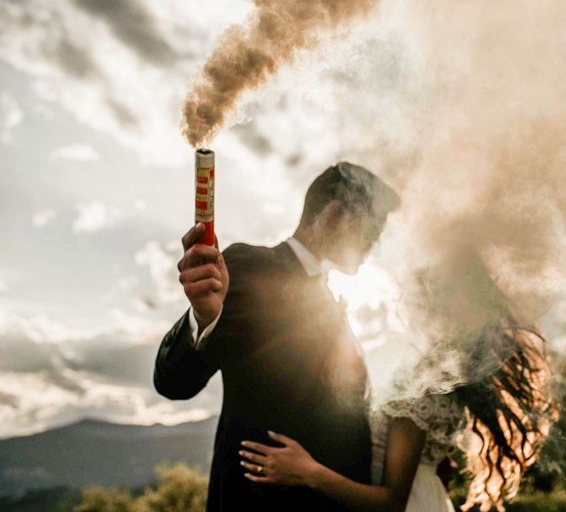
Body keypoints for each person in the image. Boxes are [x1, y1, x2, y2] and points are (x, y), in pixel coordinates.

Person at [153, 162, 400, 511]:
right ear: (334, 215)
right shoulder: (250, 266)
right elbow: (175, 383)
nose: (373, 244)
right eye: (372, 229)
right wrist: (203, 317)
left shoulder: (329, 299)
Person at [237, 252, 555, 512]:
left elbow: (392, 501)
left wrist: (309, 473)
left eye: (417, 290)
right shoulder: (449, 373)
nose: (404, 298)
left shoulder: (420, 378)